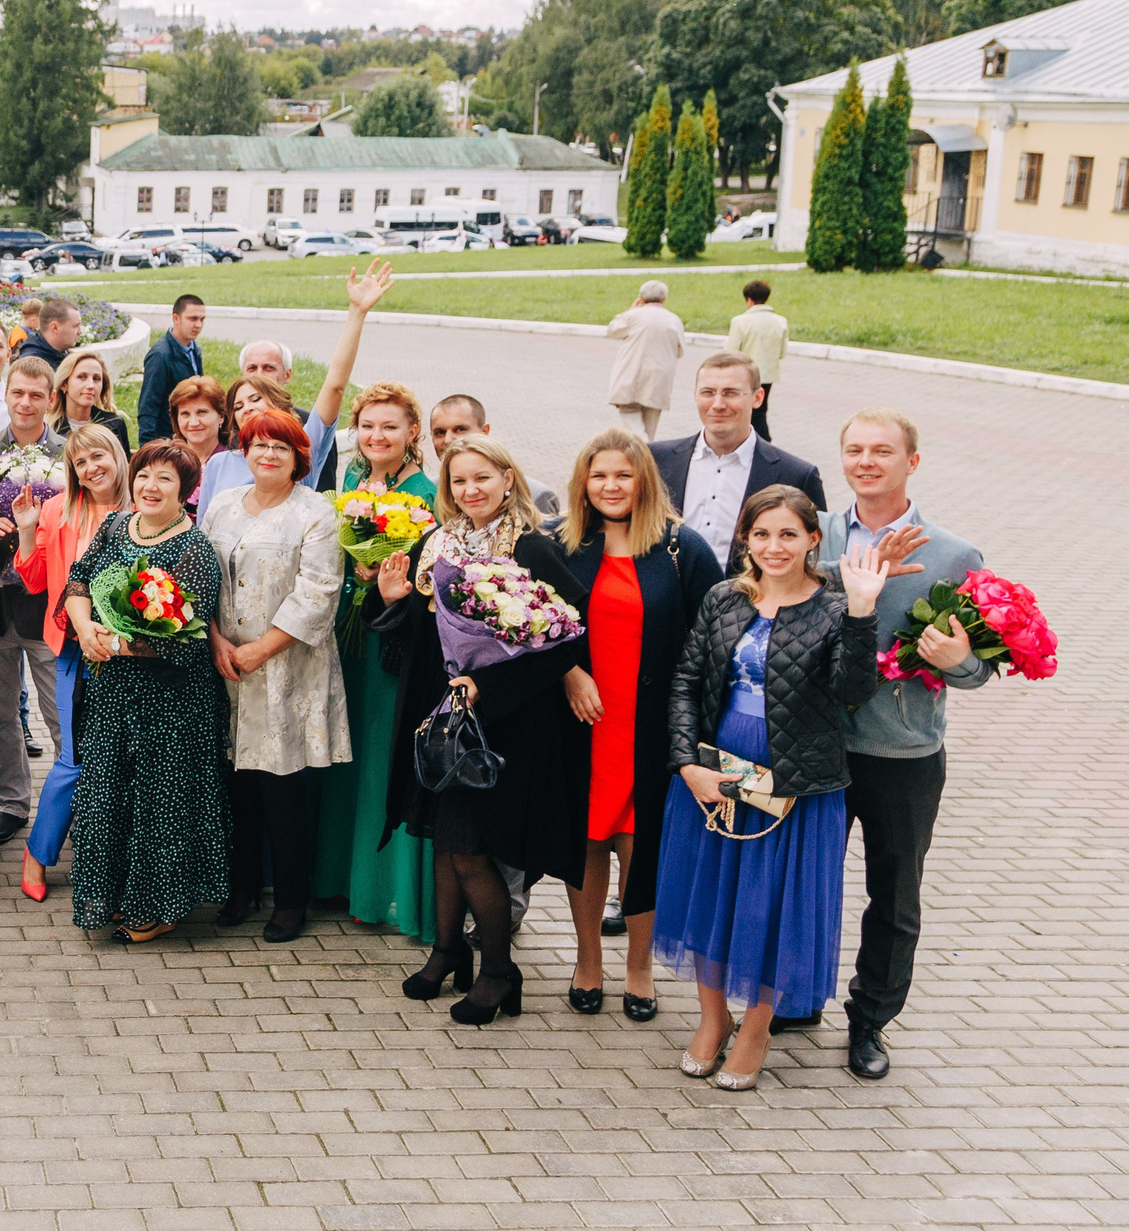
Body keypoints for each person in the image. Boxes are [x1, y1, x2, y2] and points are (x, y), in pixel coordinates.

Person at [653, 488, 886, 1091]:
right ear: (745, 540)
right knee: (712, 894)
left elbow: (852, 691)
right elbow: (684, 684)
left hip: (795, 779)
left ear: (814, 540)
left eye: (788, 535)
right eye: (761, 535)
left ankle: (756, 1028)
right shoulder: (723, 598)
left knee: (768, 904)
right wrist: (686, 764)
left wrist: (862, 613)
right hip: (716, 768)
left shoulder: (834, 610)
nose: (773, 547)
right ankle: (712, 1017)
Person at [371, 435, 595, 1026]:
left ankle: (500, 970)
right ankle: (448, 952)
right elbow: (415, 635)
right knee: (446, 842)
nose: (471, 491)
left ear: (506, 478)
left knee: (472, 850)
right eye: (459, 481)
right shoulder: (435, 542)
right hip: (441, 714)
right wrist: (392, 601)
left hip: (505, 723)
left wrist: (485, 689)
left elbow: (563, 639)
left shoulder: (529, 547)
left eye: (482, 478)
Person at [823, 407, 987, 1081]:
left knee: (894, 894)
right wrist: (853, 568)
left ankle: (869, 1020)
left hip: (904, 756)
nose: (867, 460)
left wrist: (955, 658)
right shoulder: (817, 533)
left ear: (910, 461)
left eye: (882, 450)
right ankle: (798, 996)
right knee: (805, 878)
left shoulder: (953, 554)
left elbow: (979, 668)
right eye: (855, 448)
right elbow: (772, 585)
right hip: (821, 746)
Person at [553, 430, 723, 1022]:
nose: (611, 486)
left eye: (623, 475)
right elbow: (532, 632)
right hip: (584, 721)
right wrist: (571, 672)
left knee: (642, 844)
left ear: (644, 480)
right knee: (588, 839)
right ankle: (587, 960)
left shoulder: (683, 548)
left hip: (652, 724)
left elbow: (714, 641)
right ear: (584, 482)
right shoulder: (561, 543)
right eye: (599, 475)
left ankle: (640, 968)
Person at [61, 440, 227, 943]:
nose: (150, 487)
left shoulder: (195, 549)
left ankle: (159, 906)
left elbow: (186, 637)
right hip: (112, 692)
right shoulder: (115, 526)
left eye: (165, 480)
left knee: (160, 799)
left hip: (170, 698)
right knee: (110, 792)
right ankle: (112, 894)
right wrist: (86, 629)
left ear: (186, 491)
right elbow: (79, 581)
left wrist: (111, 642)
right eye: (144, 476)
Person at [202, 410, 345, 944]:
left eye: (280, 448)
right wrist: (216, 639)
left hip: (286, 669)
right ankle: (240, 889)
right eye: (258, 444)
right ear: (244, 450)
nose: (268, 454)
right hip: (226, 666)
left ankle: (290, 900)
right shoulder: (220, 507)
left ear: (298, 457)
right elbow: (199, 577)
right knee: (236, 786)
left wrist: (260, 649)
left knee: (282, 789)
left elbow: (318, 590)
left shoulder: (315, 512)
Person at [310, 372, 438, 940]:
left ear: (413, 432)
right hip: (346, 630)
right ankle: (338, 875)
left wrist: (388, 579)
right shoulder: (355, 479)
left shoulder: (427, 494)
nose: (376, 435)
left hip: (396, 637)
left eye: (390, 426)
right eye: (367, 425)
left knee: (384, 752)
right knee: (347, 749)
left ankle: (383, 891)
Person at [9, 420, 130, 901]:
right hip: (75, 650)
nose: (91, 467)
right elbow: (36, 581)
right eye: (80, 462)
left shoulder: (142, 507)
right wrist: (25, 531)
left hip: (132, 651)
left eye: (98, 456)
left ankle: (114, 855)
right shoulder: (61, 511)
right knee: (73, 758)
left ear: (118, 456)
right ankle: (38, 854)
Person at [0, 357, 66, 844]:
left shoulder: (70, 453)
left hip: (47, 606)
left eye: (36, 394)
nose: (26, 403)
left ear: (51, 399)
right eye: (18, 393)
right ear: (4, 395)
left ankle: (75, 805)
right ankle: (11, 804)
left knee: (60, 715)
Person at [649, 351, 829, 574]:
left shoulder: (796, 475)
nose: (718, 404)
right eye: (708, 392)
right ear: (695, 395)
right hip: (669, 603)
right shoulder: (656, 459)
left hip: (752, 601)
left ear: (758, 398)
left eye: (730, 393)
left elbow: (816, 558)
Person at [304, 261, 395, 488]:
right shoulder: (220, 463)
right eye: (238, 405)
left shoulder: (298, 462)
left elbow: (335, 385)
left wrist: (357, 312)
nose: (268, 454)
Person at [426, 395, 560, 519]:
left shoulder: (537, 496)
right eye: (440, 432)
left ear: (485, 432)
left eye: (460, 429)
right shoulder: (430, 491)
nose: (448, 439)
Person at [194, 374, 291, 518]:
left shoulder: (297, 455)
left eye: (256, 399)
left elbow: (334, 390)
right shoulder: (218, 463)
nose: (247, 409)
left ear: (278, 404)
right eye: (238, 407)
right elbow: (204, 525)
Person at [605, 280, 684, 437]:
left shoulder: (632, 316)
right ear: (664, 299)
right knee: (650, 426)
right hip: (660, 378)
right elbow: (680, 351)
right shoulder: (674, 320)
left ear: (641, 297)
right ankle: (647, 454)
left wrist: (631, 309)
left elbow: (612, 330)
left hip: (632, 374)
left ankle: (645, 449)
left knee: (630, 414)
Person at [135, 295, 207, 443]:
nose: (198, 325)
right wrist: (148, 448)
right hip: (168, 439)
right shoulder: (160, 355)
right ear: (176, 318)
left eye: (202, 319)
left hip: (189, 433)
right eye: (192, 319)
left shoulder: (194, 349)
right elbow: (148, 406)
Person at [727, 281, 790, 441]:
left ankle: (760, 440)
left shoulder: (739, 322)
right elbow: (782, 353)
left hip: (744, 374)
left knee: (746, 409)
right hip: (768, 373)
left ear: (749, 300)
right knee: (761, 408)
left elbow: (731, 352)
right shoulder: (780, 321)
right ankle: (759, 440)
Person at [165, 374, 230, 505]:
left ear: (221, 416)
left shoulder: (233, 463)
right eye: (185, 414)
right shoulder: (167, 461)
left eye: (201, 412)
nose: (193, 422)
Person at [54, 348, 132, 454]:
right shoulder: (48, 427)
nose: (91, 385)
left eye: (96, 379)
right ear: (64, 384)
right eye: (82, 377)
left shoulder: (115, 424)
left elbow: (124, 466)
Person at [17, 296, 81, 371]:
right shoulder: (33, 368)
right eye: (75, 326)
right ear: (54, 327)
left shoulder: (60, 355)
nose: (80, 331)